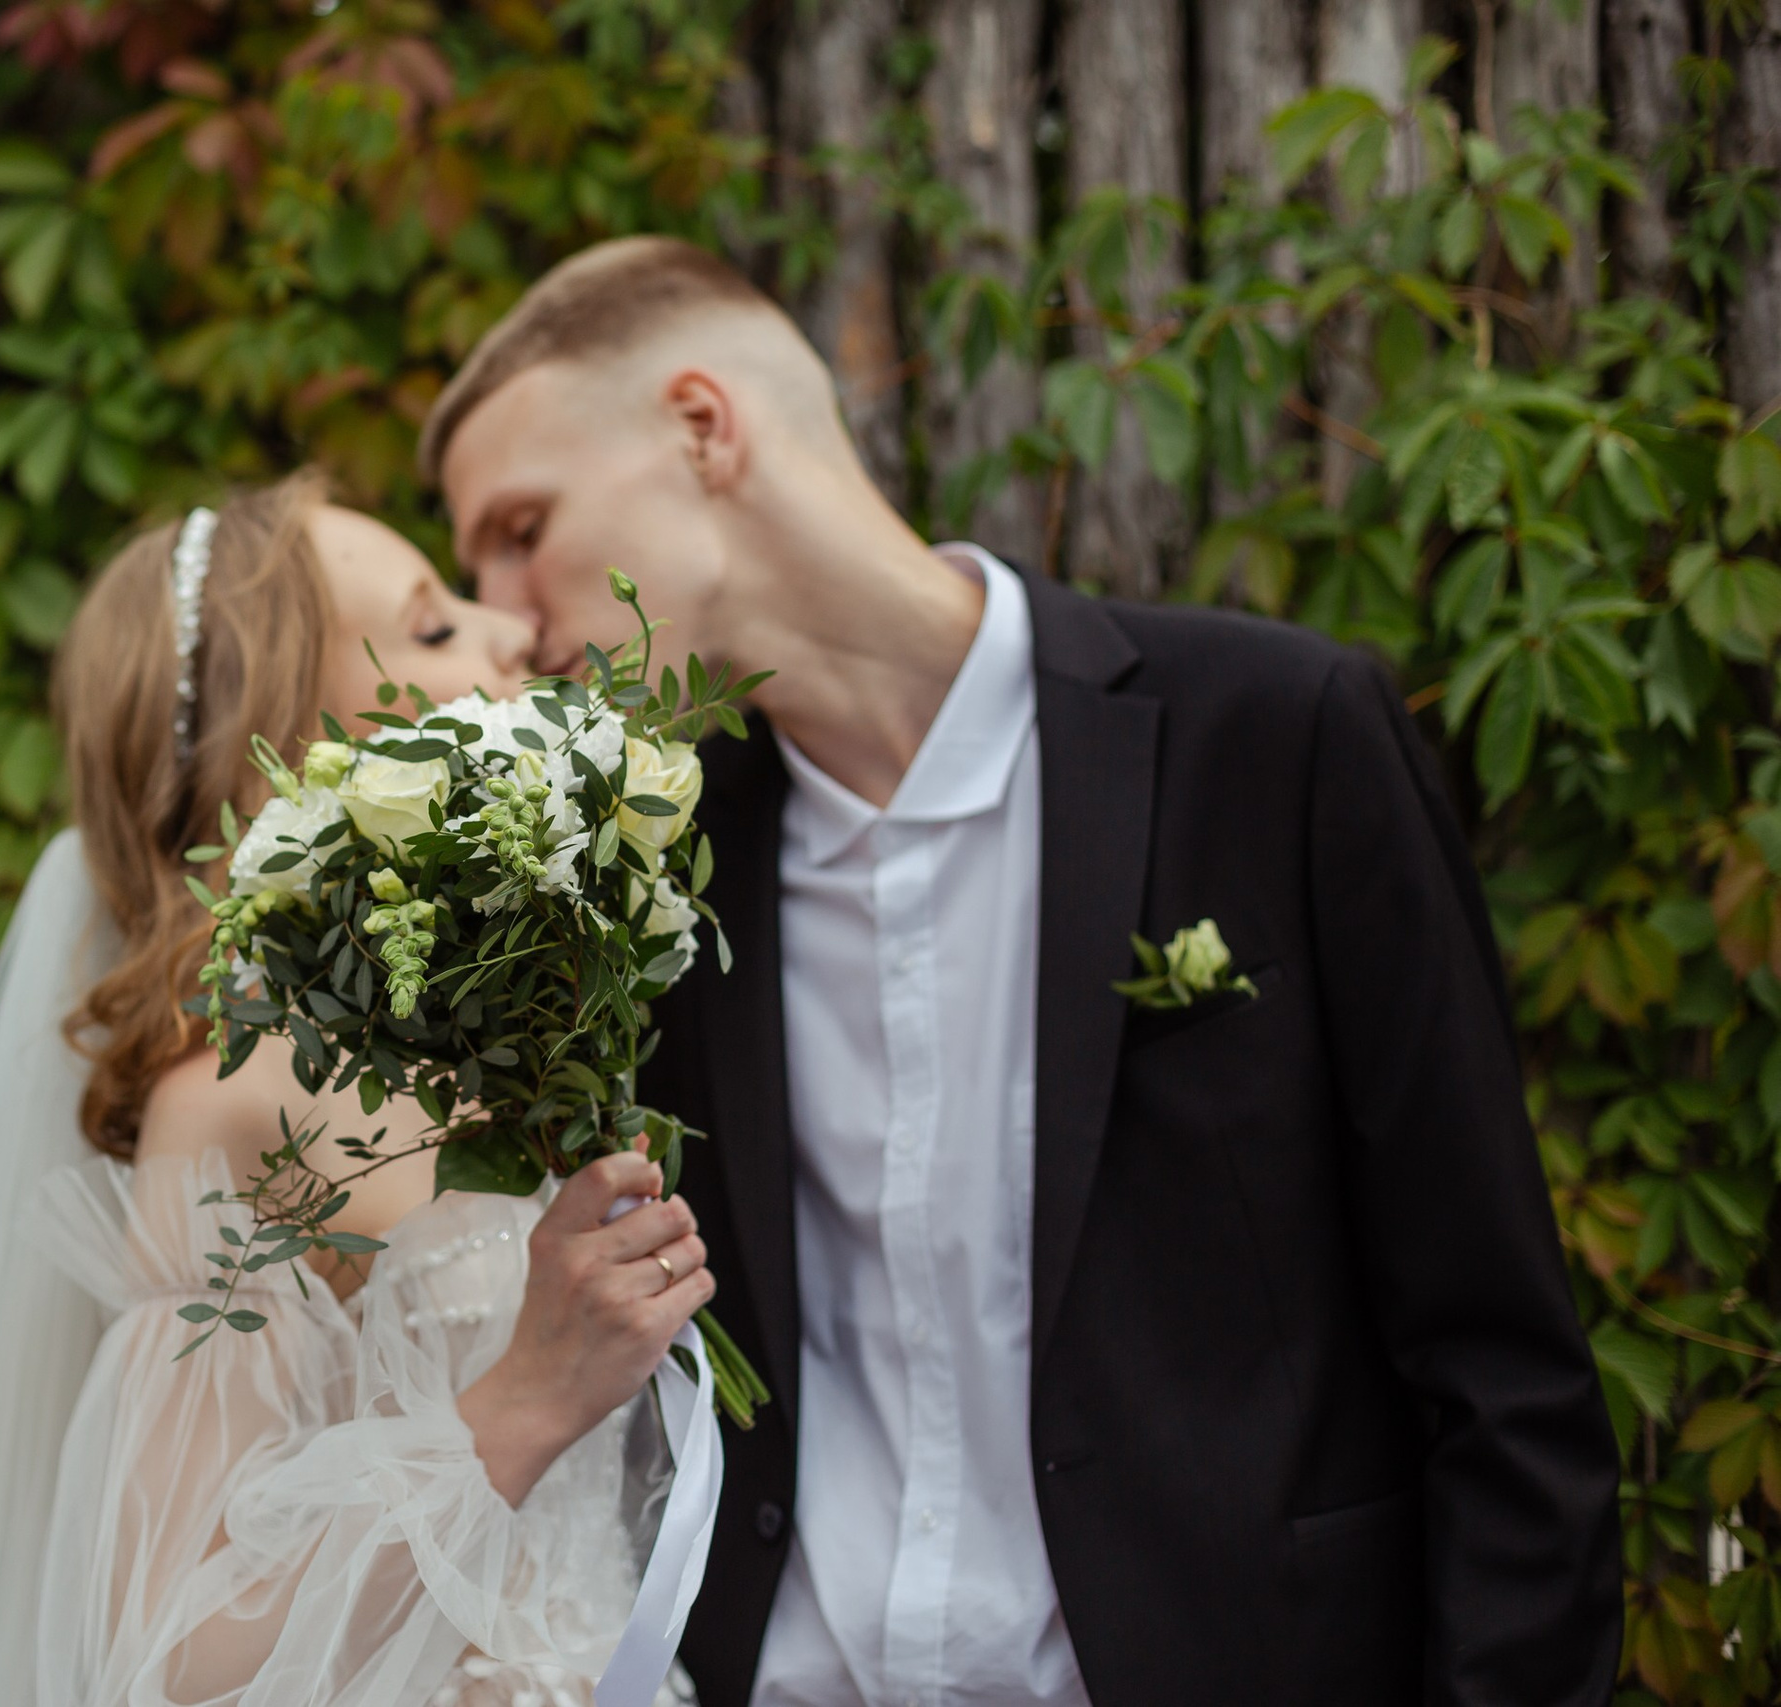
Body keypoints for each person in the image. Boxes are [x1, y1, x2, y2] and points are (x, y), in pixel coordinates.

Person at [420, 237, 1624, 1706]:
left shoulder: (1280, 738)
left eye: (519, 528)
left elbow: (1505, 1372)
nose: (506, 614)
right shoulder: (652, 880)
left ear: (702, 424)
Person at [0, 472, 711, 1707]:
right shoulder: (236, 1100)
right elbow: (171, 1653)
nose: (509, 627)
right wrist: (524, 1399)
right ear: (285, 765)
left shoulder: (509, 1034)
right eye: (431, 628)